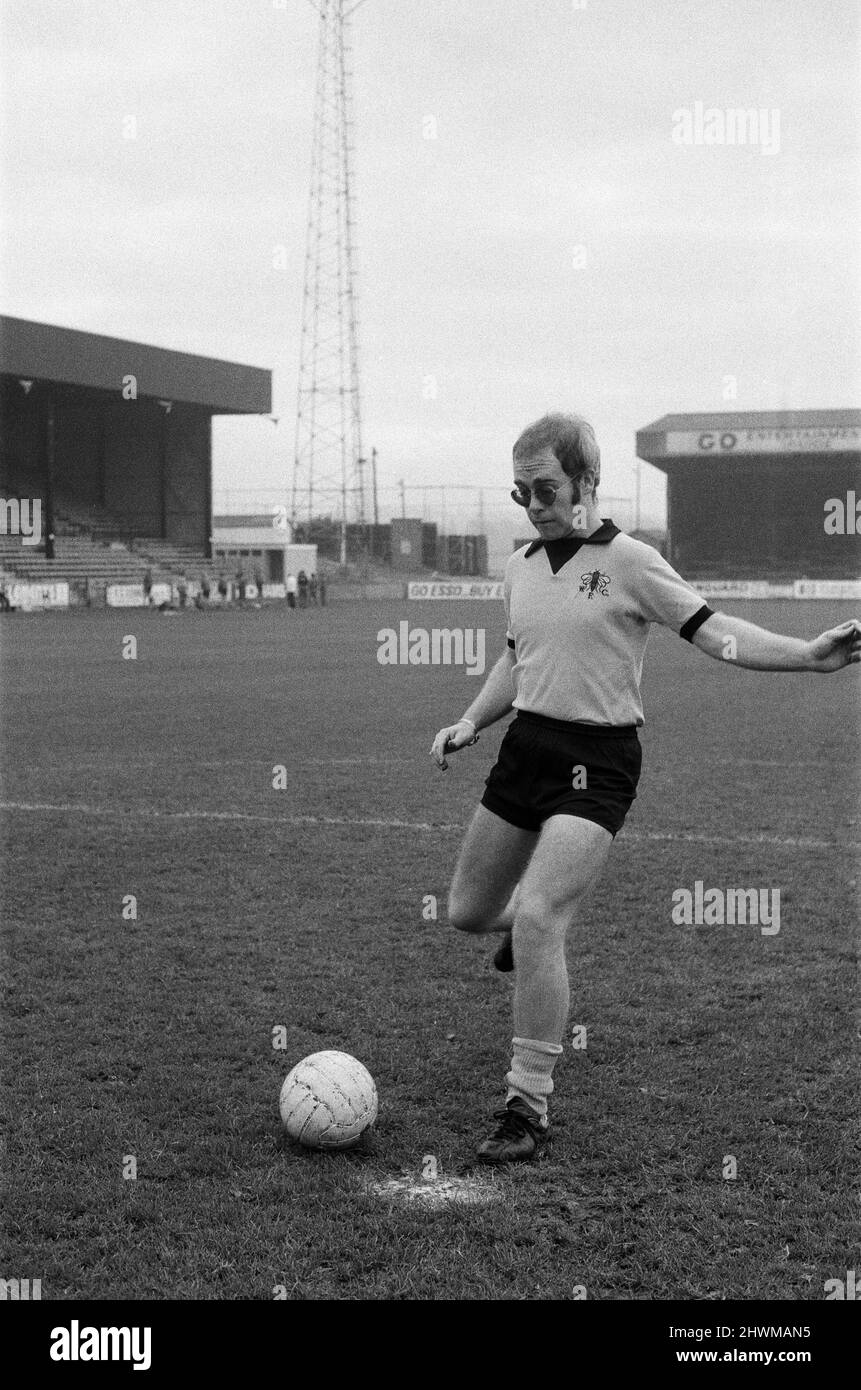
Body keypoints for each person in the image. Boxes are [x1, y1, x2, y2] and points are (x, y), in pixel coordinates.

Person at [430, 411, 861, 1166]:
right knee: (467, 912)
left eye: (546, 487)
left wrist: (809, 656)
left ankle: (525, 1107)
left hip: (596, 761)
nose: (532, 503)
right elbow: (516, 657)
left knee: (539, 915)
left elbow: (713, 629)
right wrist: (470, 721)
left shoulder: (630, 561)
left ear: (587, 482)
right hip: (524, 749)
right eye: (519, 490)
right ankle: (521, 944)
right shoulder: (522, 564)